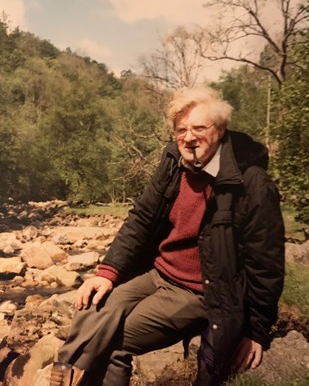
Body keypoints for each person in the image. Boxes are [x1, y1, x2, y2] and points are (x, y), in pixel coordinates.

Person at [49, 86, 285, 386]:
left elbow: (266, 262)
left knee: (115, 341)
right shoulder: (174, 161)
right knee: (92, 306)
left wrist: (256, 331)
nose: (189, 137)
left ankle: (67, 377)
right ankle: (63, 374)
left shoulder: (251, 183)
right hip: (157, 274)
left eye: (199, 127)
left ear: (221, 129)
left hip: (199, 290)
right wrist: (107, 272)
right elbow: (142, 218)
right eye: (181, 129)